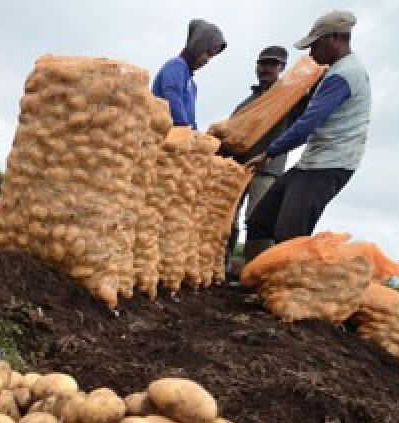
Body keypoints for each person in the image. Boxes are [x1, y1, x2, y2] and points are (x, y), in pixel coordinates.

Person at [243, 10, 371, 263]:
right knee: (261, 220)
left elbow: (307, 124)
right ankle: (255, 277)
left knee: (290, 233)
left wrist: (269, 153)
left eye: (315, 44)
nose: (311, 53)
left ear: (335, 38)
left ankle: (284, 292)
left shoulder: (344, 75)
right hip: (311, 161)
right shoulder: (334, 72)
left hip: (330, 164)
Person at [225, 45, 296, 274]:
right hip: (240, 166)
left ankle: (256, 272)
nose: (266, 68)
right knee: (228, 217)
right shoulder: (247, 102)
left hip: (267, 168)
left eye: (272, 64)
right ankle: (221, 265)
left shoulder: (289, 98)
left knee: (258, 219)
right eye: (263, 63)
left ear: (282, 67)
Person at [151, 19, 227, 129]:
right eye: (208, 53)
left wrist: (195, 135)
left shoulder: (192, 85)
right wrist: (183, 128)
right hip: (162, 134)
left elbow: (191, 119)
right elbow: (172, 95)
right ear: (198, 46)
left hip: (179, 138)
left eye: (212, 57)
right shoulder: (176, 65)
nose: (207, 60)